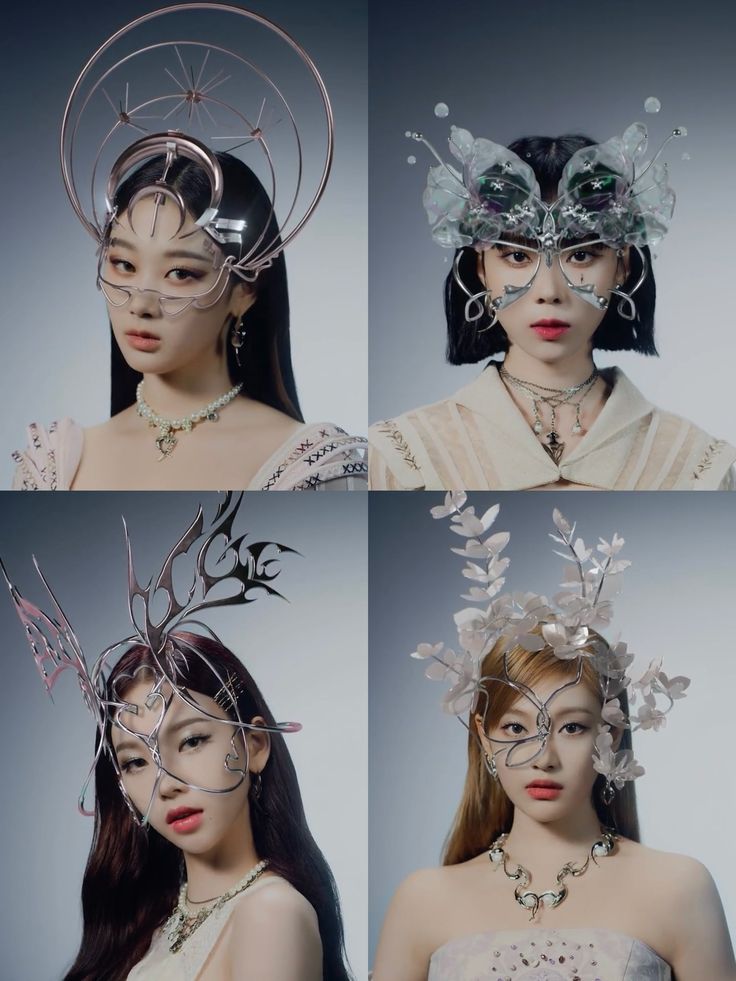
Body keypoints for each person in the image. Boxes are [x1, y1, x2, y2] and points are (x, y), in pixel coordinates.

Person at [372, 496, 735, 980]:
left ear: (610, 736)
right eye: (516, 728)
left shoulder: (678, 887)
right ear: (484, 737)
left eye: (572, 727)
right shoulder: (423, 900)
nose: (543, 757)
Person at [11, 5, 366, 491]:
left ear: (246, 290)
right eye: (123, 264)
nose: (140, 303)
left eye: (181, 273)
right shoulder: (56, 464)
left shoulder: (309, 466)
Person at [1, 494, 353, 980]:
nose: (165, 783)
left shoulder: (270, 914)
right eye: (135, 761)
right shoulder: (152, 923)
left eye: (190, 741)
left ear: (254, 745)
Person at [368, 125, 735, 490]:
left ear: (622, 266)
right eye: (516, 255)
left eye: (580, 254)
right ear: (480, 268)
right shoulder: (402, 458)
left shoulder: (698, 467)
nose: (549, 291)